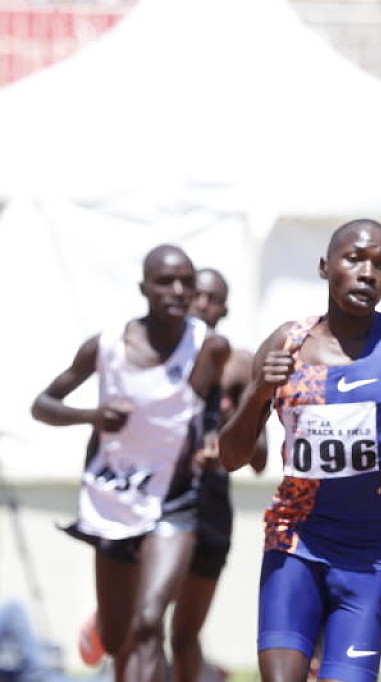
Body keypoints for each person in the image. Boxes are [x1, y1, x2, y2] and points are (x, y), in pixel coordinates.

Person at [217, 219, 381, 682]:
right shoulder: (287, 343)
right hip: (295, 539)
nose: (368, 273)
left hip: (367, 556)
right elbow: (231, 458)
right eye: (354, 259)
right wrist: (258, 393)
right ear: (325, 267)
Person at [31, 244, 230, 682]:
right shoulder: (106, 346)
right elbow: (42, 405)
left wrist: (212, 438)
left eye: (186, 282)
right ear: (144, 288)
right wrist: (93, 416)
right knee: (117, 638)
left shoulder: (209, 347)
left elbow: (213, 408)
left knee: (149, 621)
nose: (178, 291)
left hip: (174, 501)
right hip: (114, 499)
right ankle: (108, 631)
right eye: (165, 281)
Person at [171, 267, 268, 682]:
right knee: (144, 622)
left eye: (212, 299)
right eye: (197, 294)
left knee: (184, 635)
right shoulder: (160, 357)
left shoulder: (239, 364)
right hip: (160, 499)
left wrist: (230, 433)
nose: (202, 305)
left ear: (224, 309)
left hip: (210, 505)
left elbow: (259, 457)